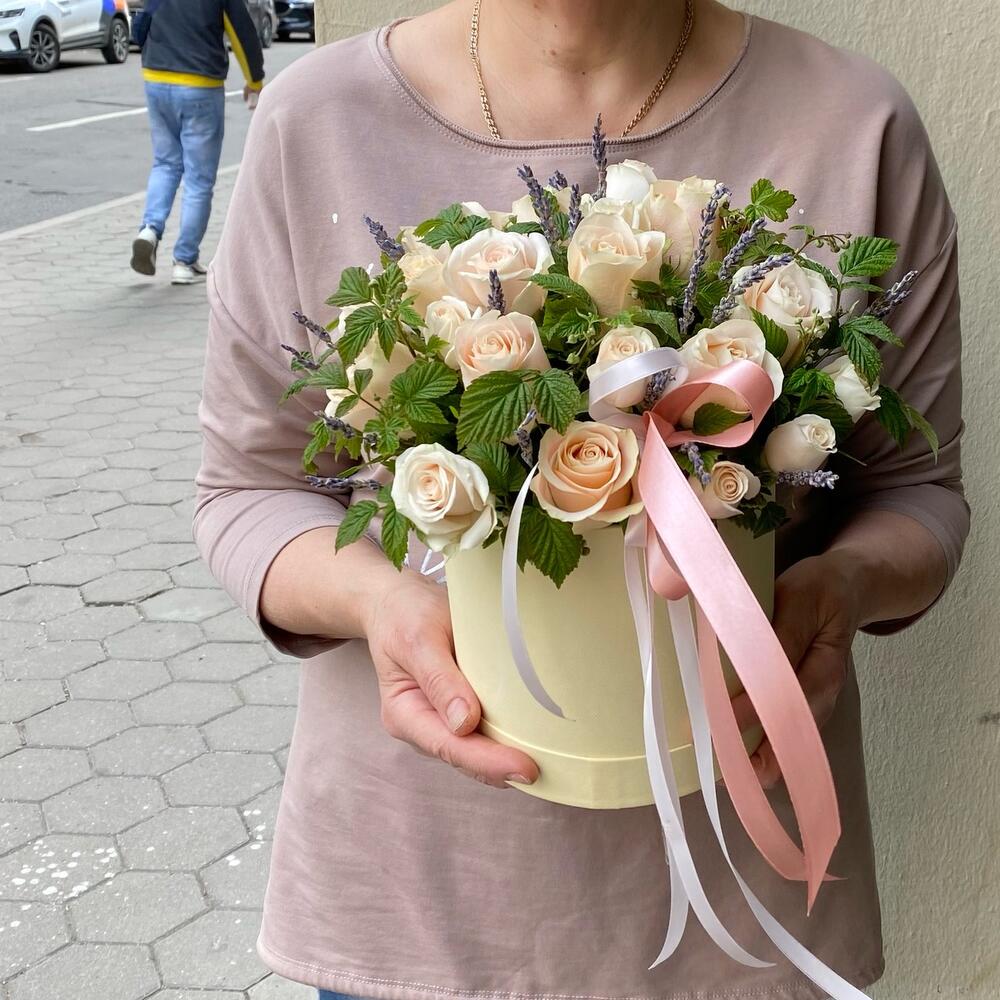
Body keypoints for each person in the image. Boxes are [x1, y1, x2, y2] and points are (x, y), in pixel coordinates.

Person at [193, 2, 968, 998]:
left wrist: (841, 589)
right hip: (413, 904)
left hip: (747, 914)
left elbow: (917, 492)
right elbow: (249, 488)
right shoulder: (315, 122)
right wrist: (378, 604)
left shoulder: (854, 123)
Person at [129, 0, 264, 285]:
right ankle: (185, 261)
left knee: (165, 163)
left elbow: (142, 24)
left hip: (156, 78)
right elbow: (242, 32)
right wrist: (255, 81)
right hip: (200, 85)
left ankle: (149, 229)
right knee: (199, 180)